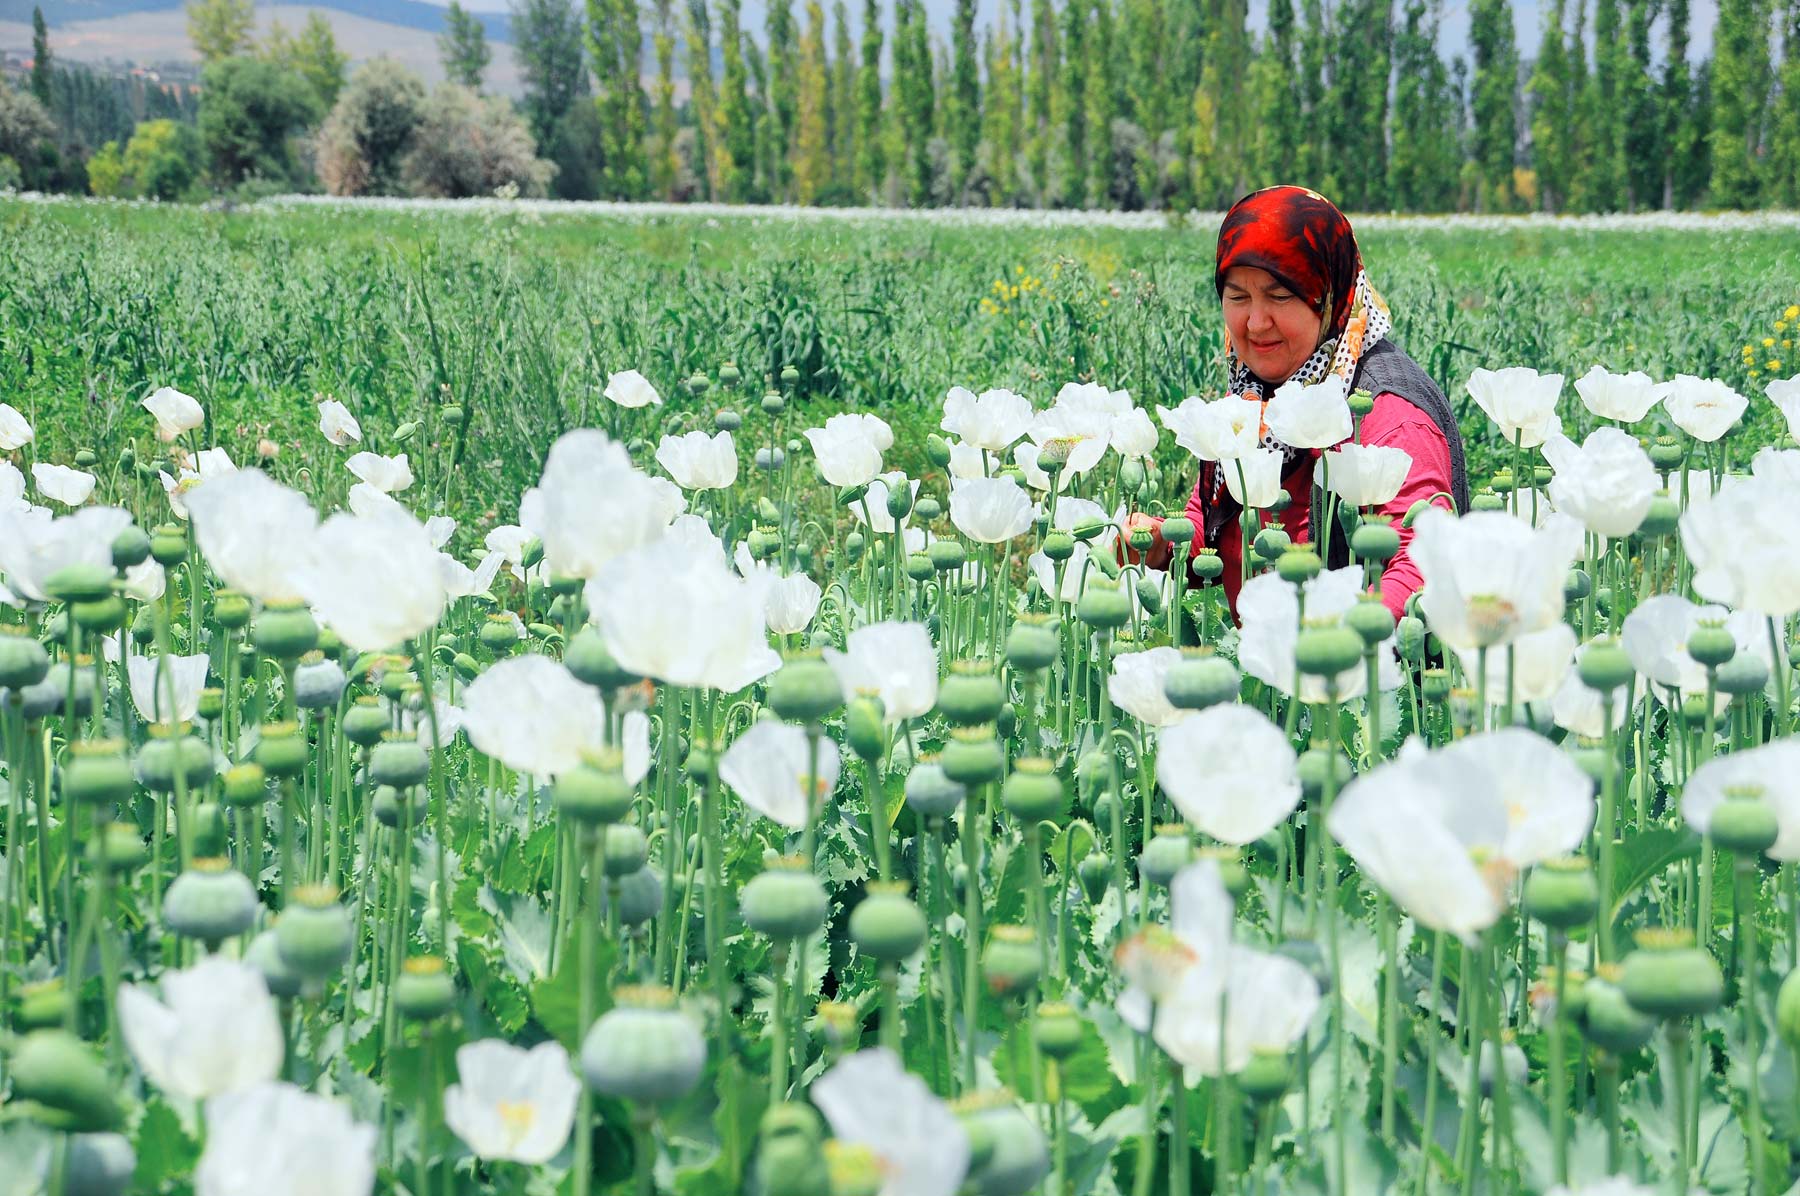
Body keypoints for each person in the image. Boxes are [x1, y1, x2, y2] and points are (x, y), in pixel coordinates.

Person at [1131, 185, 1469, 622]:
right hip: (1266, 660)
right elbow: (1216, 529)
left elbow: (1423, 563)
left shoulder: (1386, 412)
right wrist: (1163, 544)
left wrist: (1330, 643)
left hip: (1358, 659)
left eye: (1280, 296)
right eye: (1238, 297)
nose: (1255, 323)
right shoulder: (1255, 389)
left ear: (1328, 294)